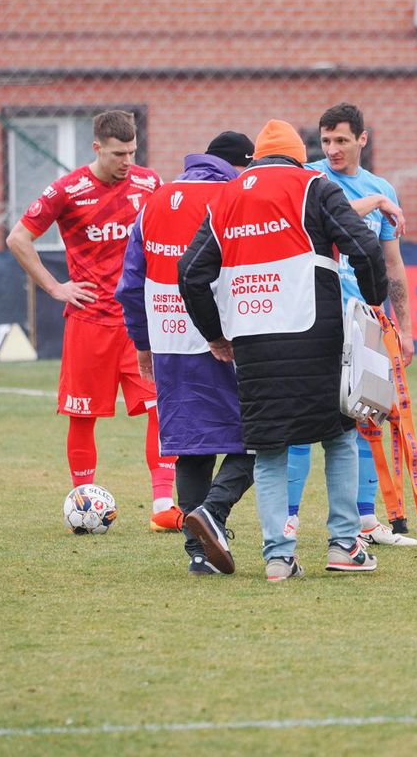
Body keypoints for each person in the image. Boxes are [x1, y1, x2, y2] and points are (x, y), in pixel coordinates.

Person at [179, 120, 388, 581]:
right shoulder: (316, 185)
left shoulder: (228, 196)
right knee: (338, 436)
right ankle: (343, 545)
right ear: (298, 156)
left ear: (257, 159)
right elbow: (365, 246)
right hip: (318, 334)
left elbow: (190, 273)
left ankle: (278, 558)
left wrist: (215, 334)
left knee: (269, 447)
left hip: (253, 342)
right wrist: (373, 302)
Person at [6, 111, 178, 532]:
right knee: (82, 415)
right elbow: (18, 238)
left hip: (138, 322)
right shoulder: (68, 190)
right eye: (119, 153)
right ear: (97, 147)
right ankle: (84, 502)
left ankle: (163, 505)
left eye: (132, 152)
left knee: (162, 407)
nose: (127, 161)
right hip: (89, 322)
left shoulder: (149, 183)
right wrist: (55, 287)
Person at [116, 132, 257, 576]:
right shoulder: (233, 196)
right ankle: (212, 513)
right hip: (225, 341)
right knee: (262, 436)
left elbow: (131, 282)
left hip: (170, 343)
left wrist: (143, 343)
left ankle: (199, 555)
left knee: (193, 447)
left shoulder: (155, 200)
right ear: (242, 165)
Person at [285, 102, 417, 547]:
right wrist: (378, 203)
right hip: (316, 320)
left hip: (365, 322)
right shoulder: (311, 179)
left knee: (367, 418)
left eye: (341, 140)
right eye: (325, 141)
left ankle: (365, 520)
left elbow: (393, 265)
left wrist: (404, 326)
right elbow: (332, 215)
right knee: (303, 423)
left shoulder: (382, 188)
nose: (332, 149)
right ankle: (289, 519)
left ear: (363, 139)